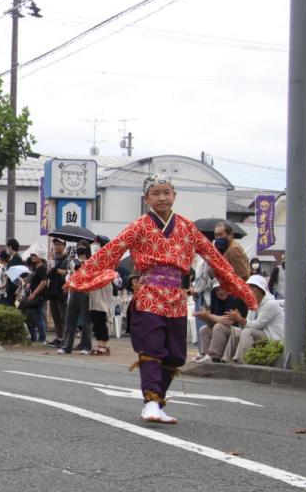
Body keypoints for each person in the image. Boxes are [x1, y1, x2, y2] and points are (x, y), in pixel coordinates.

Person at [66, 174, 255, 424]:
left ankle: (158, 400)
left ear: (174, 195)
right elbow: (112, 250)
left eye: (166, 192)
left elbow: (213, 257)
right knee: (152, 347)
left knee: (176, 355)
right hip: (149, 294)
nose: (162, 198)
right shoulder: (139, 225)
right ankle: (151, 402)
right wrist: (82, 276)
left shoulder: (187, 227)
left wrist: (240, 287)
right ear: (147, 198)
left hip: (176, 297)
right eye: (156, 193)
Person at [230, 275, 285, 363]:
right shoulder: (252, 303)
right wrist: (240, 320)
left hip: (273, 337)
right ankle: (226, 359)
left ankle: (241, 360)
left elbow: (258, 325)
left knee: (247, 332)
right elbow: (248, 323)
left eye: (253, 287)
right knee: (235, 331)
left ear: (261, 289)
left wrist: (240, 319)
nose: (250, 290)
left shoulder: (270, 304)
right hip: (262, 333)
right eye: (248, 287)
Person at [192, 281, 248, 362]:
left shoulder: (236, 299)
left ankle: (214, 356)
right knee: (204, 329)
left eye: (223, 288)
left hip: (238, 331)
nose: (220, 292)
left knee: (218, 327)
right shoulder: (216, 299)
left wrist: (209, 316)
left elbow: (228, 321)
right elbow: (212, 322)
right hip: (226, 330)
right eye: (217, 289)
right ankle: (204, 354)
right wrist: (204, 317)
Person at [58, 243, 93, 355]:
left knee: (86, 321)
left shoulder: (91, 262)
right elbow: (68, 277)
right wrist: (72, 270)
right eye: (78, 247)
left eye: (82, 247)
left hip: (86, 292)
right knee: (70, 319)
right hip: (74, 291)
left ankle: (86, 346)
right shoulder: (73, 262)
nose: (80, 249)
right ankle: (66, 346)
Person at [45, 239, 69, 346]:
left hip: (62, 290)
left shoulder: (67, 259)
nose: (57, 247)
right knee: (55, 316)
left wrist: (56, 269)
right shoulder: (53, 259)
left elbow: (67, 273)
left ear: (64, 246)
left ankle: (65, 339)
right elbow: (49, 274)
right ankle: (59, 338)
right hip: (53, 290)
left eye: (59, 244)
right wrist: (49, 270)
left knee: (63, 316)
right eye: (55, 244)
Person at [21, 253, 48, 343]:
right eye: (32, 255)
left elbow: (43, 282)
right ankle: (41, 338)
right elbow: (37, 281)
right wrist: (30, 285)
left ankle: (42, 339)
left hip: (39, 296)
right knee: (37, 317)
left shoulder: (42, 268)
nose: (33, 257)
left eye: (35, 255)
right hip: (36, 294)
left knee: (39, 317)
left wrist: (34, 293)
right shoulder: (37, 268)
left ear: (40, 257)